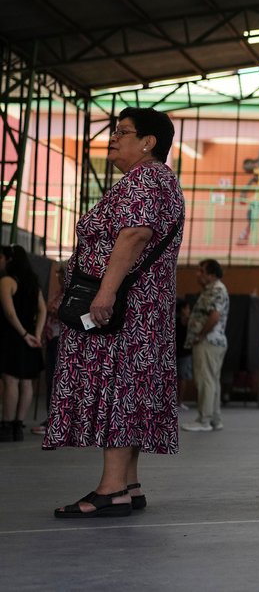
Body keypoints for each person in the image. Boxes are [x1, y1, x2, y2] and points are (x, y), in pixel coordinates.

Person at [46, 108, 185, 518]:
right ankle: (128, 484)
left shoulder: (146, 178)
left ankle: (110, 489)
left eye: (123, 132)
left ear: (148, 142)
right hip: (144, 309)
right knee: (132, 389)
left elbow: (135, 234)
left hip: (127, 309)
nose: (113, 138)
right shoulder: (159, 180)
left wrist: (104, 294)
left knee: (118, 389)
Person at [1, 245, 46, 442]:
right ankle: (18, 426)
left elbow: (9, 313)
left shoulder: (7, 281)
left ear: (9, 259)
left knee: (11, 380)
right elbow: (42, 310)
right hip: (30, 337)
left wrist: (24, 334)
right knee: (26, 382)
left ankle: (7, 425)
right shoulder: (32, 282)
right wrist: (35, 333)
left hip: (13, 336)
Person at [181, 259, 229, 433]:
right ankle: (215, 419)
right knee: (213, 381)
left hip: (208, 341)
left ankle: (204, 420)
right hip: (213, 341)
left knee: (205, 381)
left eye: (201, 271)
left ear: (212, 274)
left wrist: (200, 335)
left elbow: (214, 316)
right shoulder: (211, 290)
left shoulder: (216, 290)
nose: (197, 274)